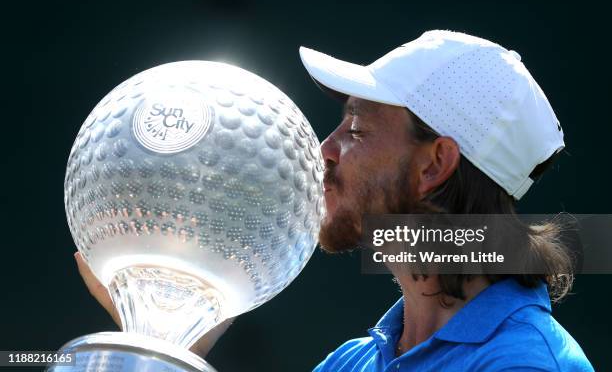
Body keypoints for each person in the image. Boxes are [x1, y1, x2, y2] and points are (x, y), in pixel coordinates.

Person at [75, 30, 594, 371]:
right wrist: (163, 348)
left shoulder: (527, 363)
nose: (325, 150)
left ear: (434, 165)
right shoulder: (352, 361)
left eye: (358, 127)